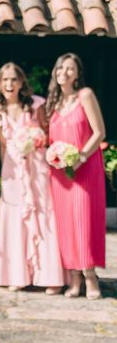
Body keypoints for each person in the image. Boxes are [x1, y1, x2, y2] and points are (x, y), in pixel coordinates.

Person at [0, 63, 63, 294]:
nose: (9, 84)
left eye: (14, 79)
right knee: (14, 218)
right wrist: (5, 175)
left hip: (37, 166)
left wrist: (34, 141)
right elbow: (2, 145)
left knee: (43, 214)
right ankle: (17, 274)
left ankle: (49, 276)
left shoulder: (36, 105)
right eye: (5, 80)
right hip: (12, 168)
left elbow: (46, 134)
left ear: (21, 83)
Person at [46, 53, 105, 299]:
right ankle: (74, 278)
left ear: (78, 73)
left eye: (70, 68)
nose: (65, 72)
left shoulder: (86, 96)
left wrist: (80, 157)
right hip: (60, 175)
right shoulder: (54, 104)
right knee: (66, 224)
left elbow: (99, 132)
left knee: (84, 221)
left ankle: (90, 277)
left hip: (85, 168)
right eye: (61, 68)